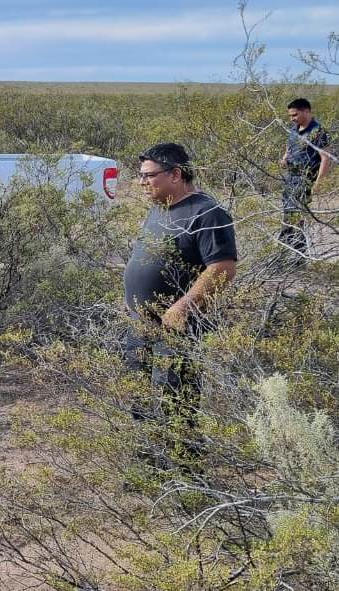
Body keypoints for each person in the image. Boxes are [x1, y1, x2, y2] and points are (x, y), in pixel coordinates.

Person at [123, 143, 237, 441]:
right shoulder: (159, 208)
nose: (141, 182)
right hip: (141, 323)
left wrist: (181, 307)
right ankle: (148, 462)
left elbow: (222, 268)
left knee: (176, 398)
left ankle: (186, 472)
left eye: (149, 176)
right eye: (141, 175)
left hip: (178, 327)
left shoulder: (207, 213)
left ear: (175, 174)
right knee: (139, 393)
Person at [280, 98, 332, 259]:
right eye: (290, 116)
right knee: (287, 215)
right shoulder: (294, 128)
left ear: (306, 111)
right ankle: (283, 254)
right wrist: (284, 158)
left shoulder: (318, 131)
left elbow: (326, 158)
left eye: (295, 115)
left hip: (304, 179)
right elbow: (289, 146)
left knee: (297, 218)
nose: (292, 118)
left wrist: (318, 183)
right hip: (290, 178)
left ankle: (297, 257)